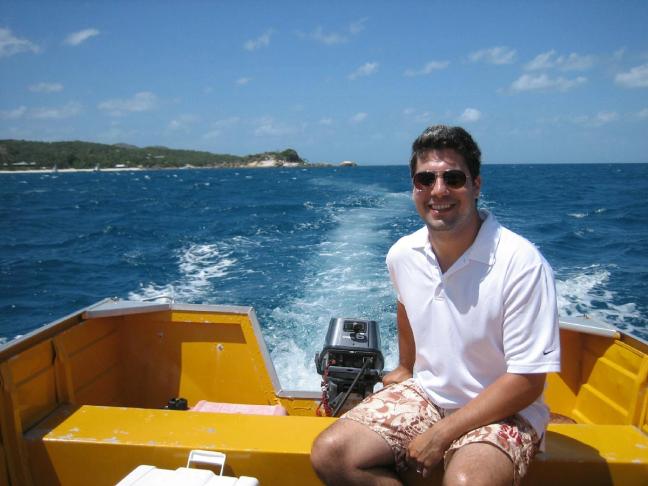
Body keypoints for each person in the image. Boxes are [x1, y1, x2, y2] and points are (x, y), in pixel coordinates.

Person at [310, 125, 560, 485]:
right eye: (425, 179)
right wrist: (405, 366)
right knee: (332, 453)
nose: (438, 190)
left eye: (453, 178)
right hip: (429, 395)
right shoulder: (403, 255)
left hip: (507, 410)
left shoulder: (521, 263)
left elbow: (528, 381)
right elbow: (406, 303)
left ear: (476, 185)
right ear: (414, 187)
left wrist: (442, 434)